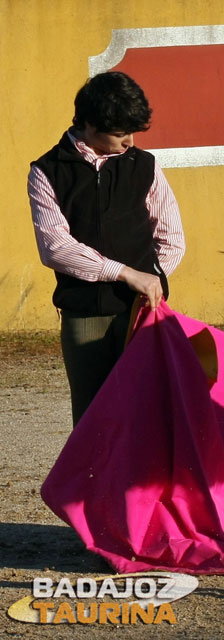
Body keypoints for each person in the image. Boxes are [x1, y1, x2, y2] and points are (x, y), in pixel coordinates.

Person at [28, 71, 185, 426]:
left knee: (151, 415)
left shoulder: (144, 165)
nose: (129, 141)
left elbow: (172, 237)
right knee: (93, 421)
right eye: (119, 133)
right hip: (85, 316)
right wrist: (127, 274)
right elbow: (55, 247)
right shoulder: (47, 171)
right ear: (88, 124)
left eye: (132, 132)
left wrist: (153, 280)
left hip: (143, 311)